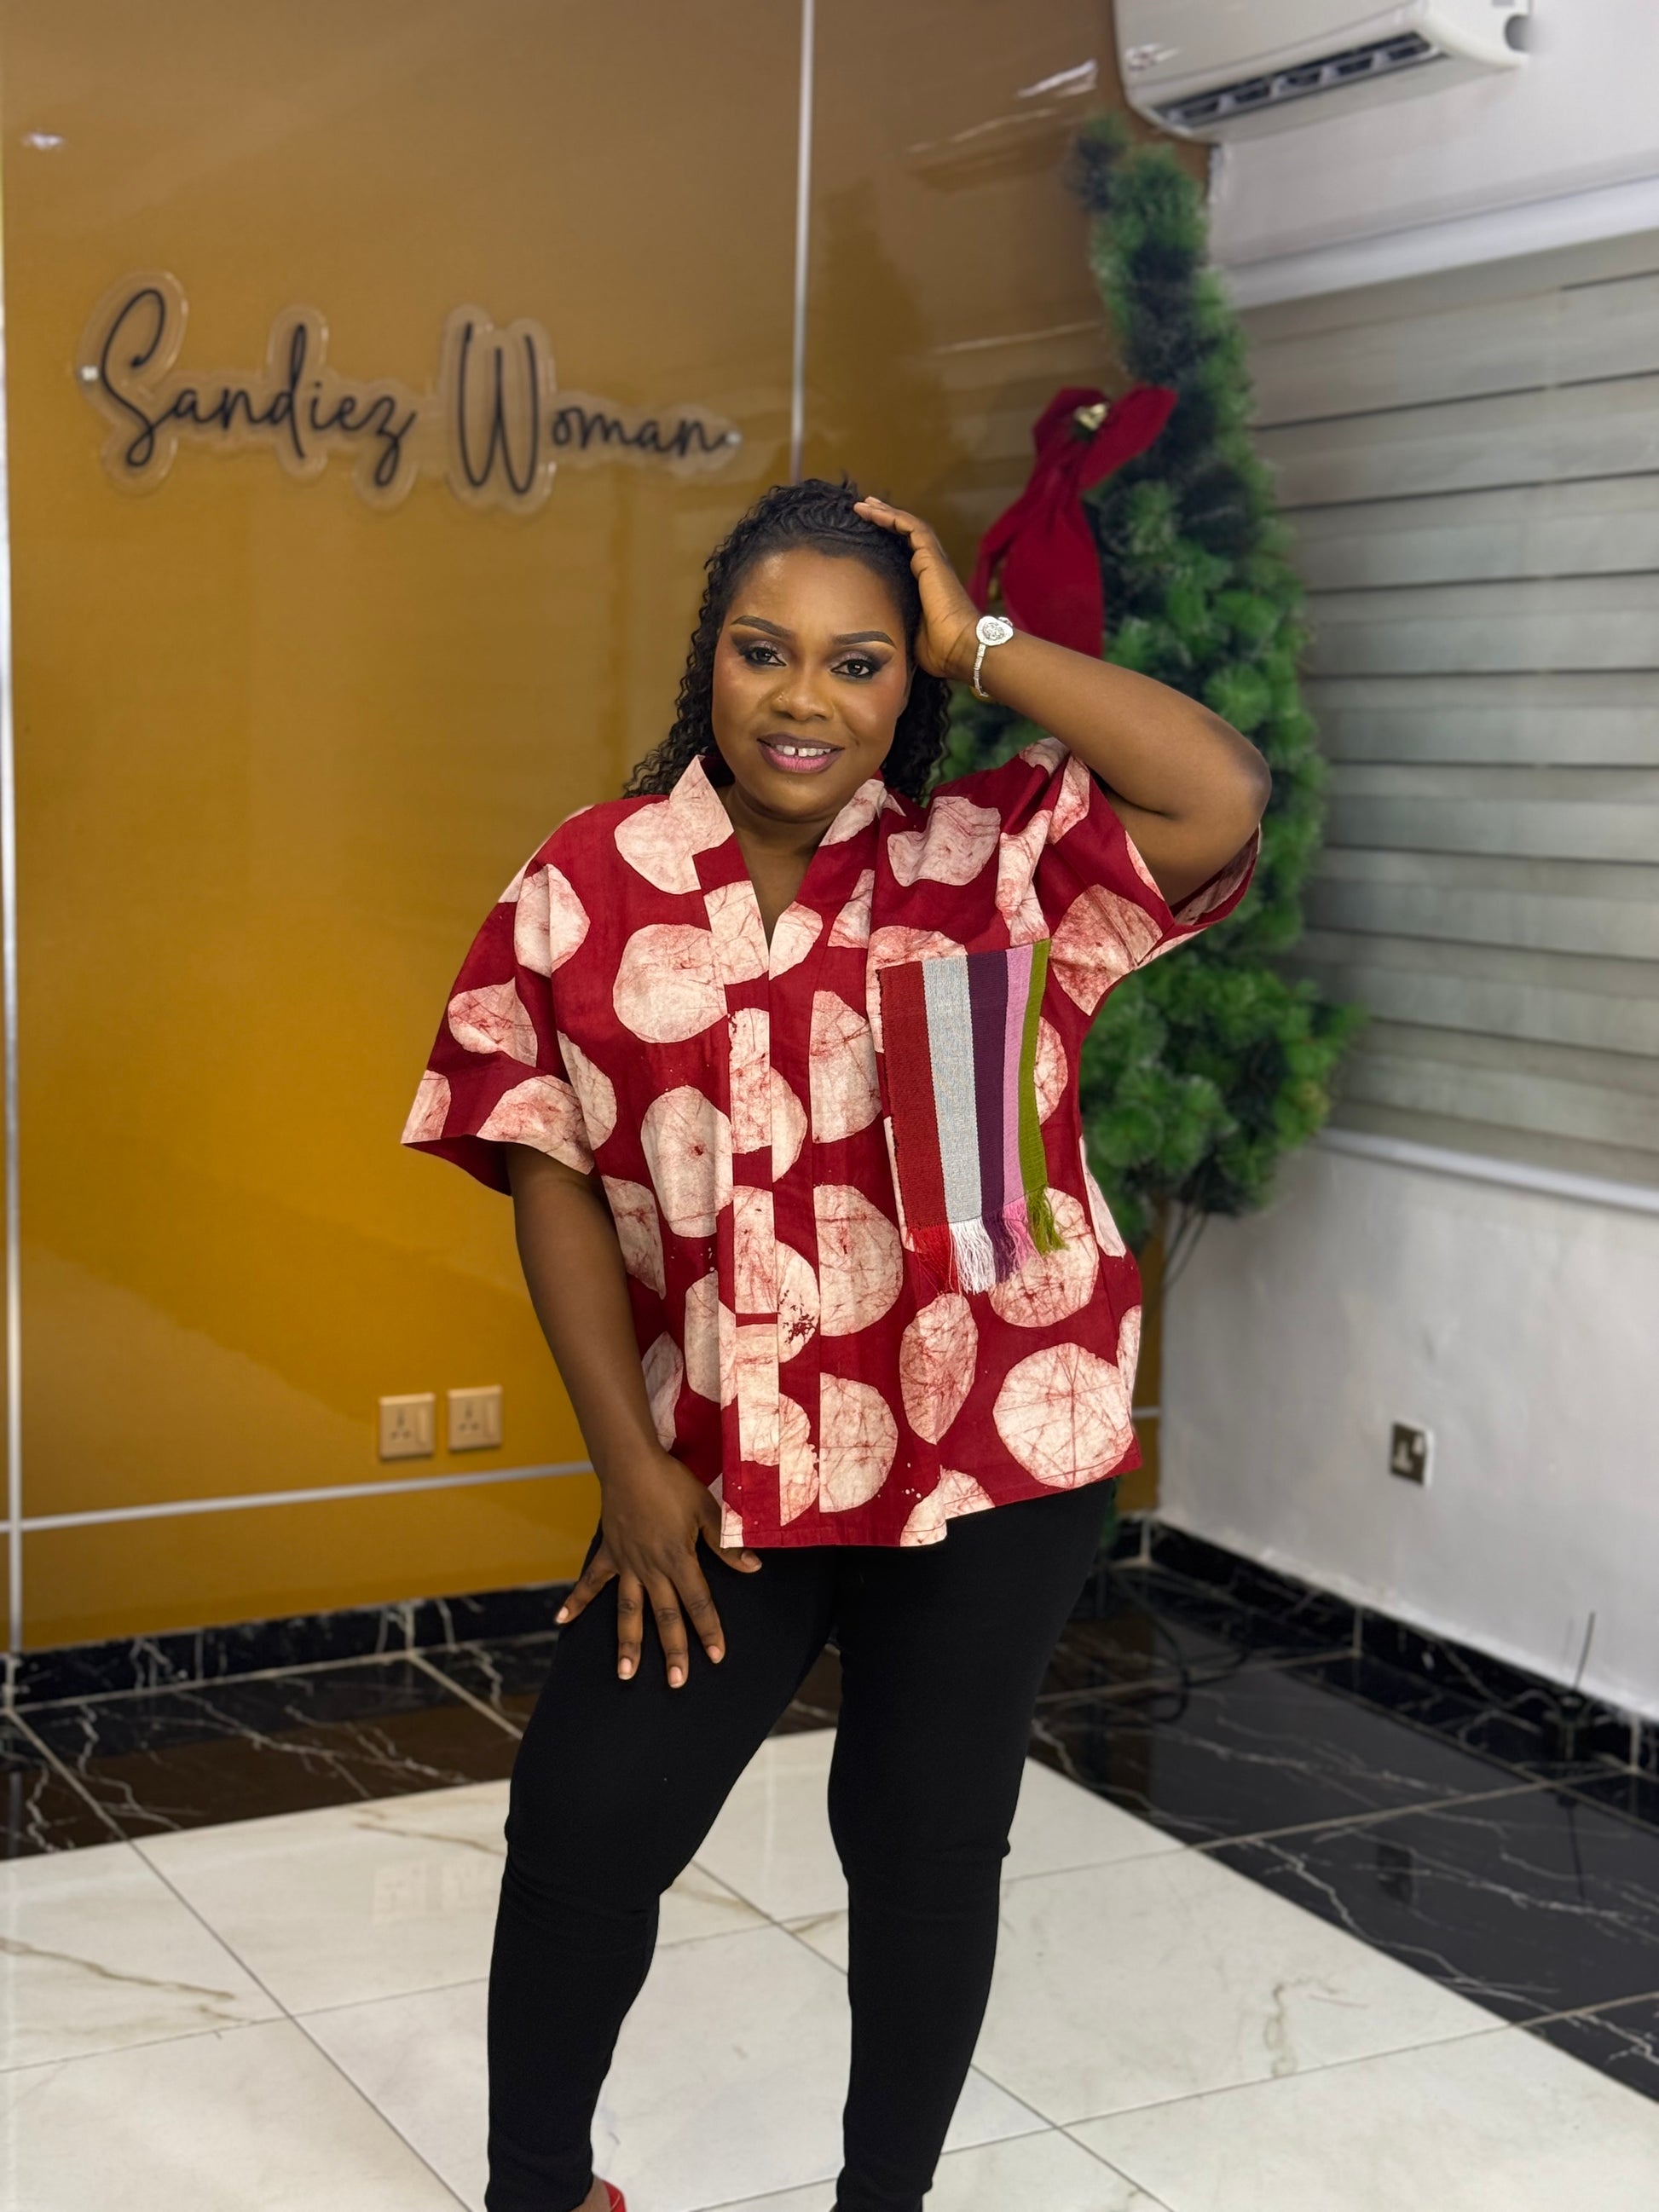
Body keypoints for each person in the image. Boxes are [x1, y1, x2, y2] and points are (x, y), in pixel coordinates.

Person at [403, 477, 1269, 2212]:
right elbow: (545, 1165)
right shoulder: (590, 878)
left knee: (923, 1841)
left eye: (859, 661)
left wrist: (981, 640)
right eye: (764, 650)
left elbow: (1218, 791)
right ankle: (538, 2193)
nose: (803, 698)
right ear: (708, 659)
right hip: (720, 1463)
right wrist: (628, 1466)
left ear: (905, 683)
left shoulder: (997, 862)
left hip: (993, 1455)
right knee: (582, 1823)